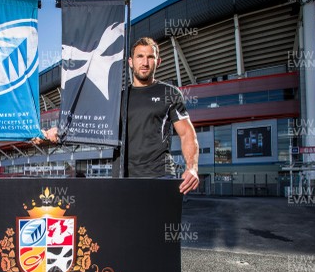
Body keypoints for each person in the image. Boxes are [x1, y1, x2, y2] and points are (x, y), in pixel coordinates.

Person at [42, 37, 199, 194]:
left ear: (158, 62)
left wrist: (192, 167)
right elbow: (91, 125)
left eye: (150, 57)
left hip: (160, 176)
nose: (145, 63)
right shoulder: (118, 98)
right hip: (123, 178)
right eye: (140, 57)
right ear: (130, 62)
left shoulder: (170, 93)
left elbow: (187, 134)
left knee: (161, 219)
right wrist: (61, 130)